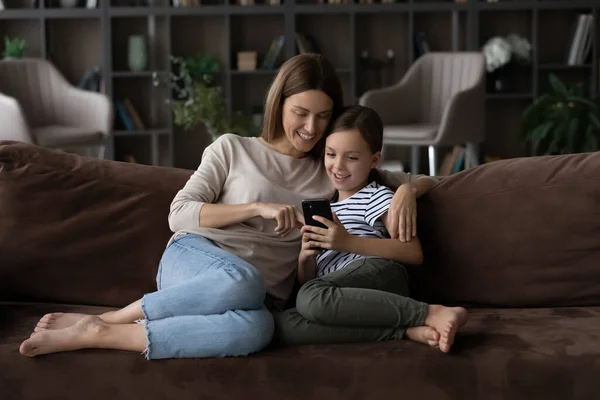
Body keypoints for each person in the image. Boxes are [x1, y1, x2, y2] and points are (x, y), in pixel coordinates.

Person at [19, 53, 438, 360]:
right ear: (279, 104)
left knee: (258, 330)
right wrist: (256, 207)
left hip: (260, 299)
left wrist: (406, 192)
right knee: (244, 281)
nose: (311, 129)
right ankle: (117, 316)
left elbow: (425, 180)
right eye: (301, 112)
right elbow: (179, 212)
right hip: (197, 259)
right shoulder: (232, 148)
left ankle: (100, 333)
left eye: (324, 117)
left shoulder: (329, 167)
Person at [274, 105, 468, 353]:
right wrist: (305, 259)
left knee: (311, 295)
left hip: (379, 273)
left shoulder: (374, 196)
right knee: (282, 324)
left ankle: (430, 312)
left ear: (374, 160)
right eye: (331, 154)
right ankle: (403, 330)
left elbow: (412, 252)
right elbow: (313, 283)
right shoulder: (328, 206)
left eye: (351, 157)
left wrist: (345, 241)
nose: (338, 166)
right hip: (343, 293)